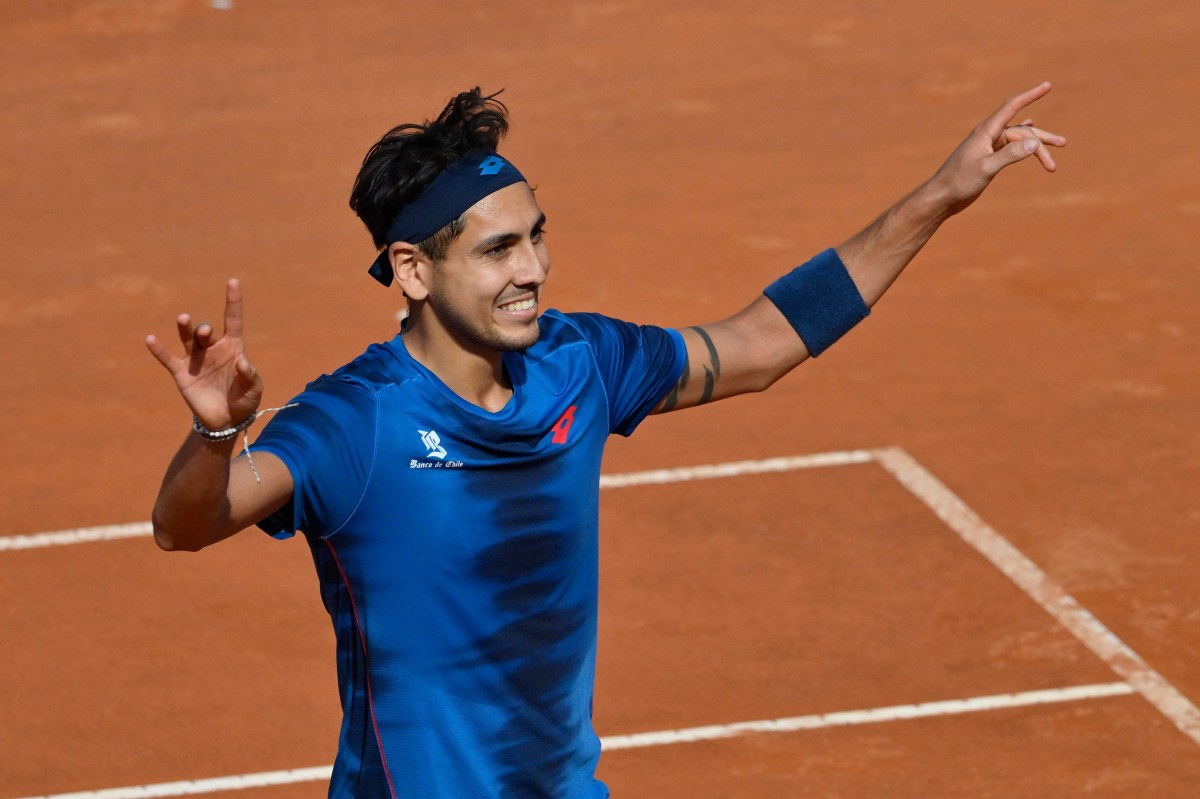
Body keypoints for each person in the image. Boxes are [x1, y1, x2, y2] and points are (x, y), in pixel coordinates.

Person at [145, 85, 1065, 798]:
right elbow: (189, 523)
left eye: (537, 239)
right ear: (414, 269)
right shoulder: (358, 419)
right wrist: (216, 430)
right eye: (498, 250)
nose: (534, 270)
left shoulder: (578, 363)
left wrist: (940, 196)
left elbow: (757, 344)